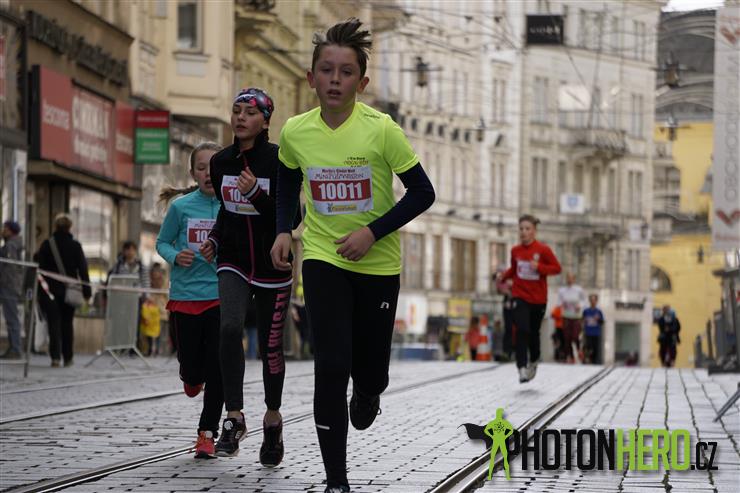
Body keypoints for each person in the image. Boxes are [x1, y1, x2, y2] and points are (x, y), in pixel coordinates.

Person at [270, 19, 435, 493]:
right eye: (327, 70)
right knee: (330, 365)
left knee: (370, 371)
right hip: (323, 258)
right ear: (311, 78)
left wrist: (372, 232)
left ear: (361, 83)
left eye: (346, 72)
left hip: (377, 265)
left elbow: (423, 192)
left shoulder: (381, 130)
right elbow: (287, 179)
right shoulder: (296, 131)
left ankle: (368, 392)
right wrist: (283, 230)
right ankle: (336, 481)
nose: (335, 80)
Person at [200, 87, 292, 465]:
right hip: (234, 260)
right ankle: (234, 418)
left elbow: (290, 218)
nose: (240, 117)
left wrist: (256, 194)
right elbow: (226, 210)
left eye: (250, 112)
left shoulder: (280, 160)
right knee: (228, 328)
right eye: (236, 110)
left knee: (270, 347)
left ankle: (272, 419)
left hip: (273, 266)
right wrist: (214, 237)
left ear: (266, 121)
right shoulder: (221, 161)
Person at [156, 141, 224, 459]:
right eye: (201, 168)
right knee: (193, 369)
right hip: (185, 297)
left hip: (220, 296)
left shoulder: (231, 207)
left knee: (217, 367)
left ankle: (207, 434)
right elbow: (162, 242)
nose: (208, 173)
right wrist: (175, 256)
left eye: (214, 167)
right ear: (193, 173)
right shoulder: (181, 207)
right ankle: (191, 378)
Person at [499, 215, 561, 383]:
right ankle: (521, 367)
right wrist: (503, 276)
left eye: (527, 229)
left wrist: (539, 267)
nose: (524, 232)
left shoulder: (543, 250)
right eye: (521, 229)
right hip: (520, 296)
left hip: (538, 299)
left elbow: (557, 268)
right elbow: (514, 269)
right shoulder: (515, 251)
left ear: (534, 231)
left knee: (533, 333)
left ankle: (534, 360)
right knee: (522, 330)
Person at [36, 213, 92, 367]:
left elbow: (40, 268)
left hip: (50, 291)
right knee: (67, 324)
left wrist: (40, 293)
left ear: (55, 226)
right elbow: (83, 269)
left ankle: (55, 358)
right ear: (70, 227)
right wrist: (87, 292)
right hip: (70, 291)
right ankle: (68, 357)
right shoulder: (75, 246)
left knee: (53, 323)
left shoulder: (47, 245)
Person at [0, 220, 24, 359]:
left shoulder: (10, 246)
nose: (3, 230)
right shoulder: (12, 244)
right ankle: (13, 347)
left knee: (11, 317)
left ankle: (15, 348)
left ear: (10, 231)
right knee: (11, 317)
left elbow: (10, 267)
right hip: (10, 285)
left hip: (8, 286)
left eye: (5, 228)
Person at [557, 273, 586, 363]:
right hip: (566, 315)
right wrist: (562, 304)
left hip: (576, 316)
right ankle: (571, 356)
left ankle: (579, 350)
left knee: (575, 335)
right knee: (567, 337)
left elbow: (584, 300)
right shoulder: (562, 290)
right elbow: (558, 302)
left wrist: (579, 306)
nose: (569, 280)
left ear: (574, 279)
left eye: (571, 278)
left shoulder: (578, 289)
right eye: (568, 278)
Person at [582, 294, 604, 364]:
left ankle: (595, 362)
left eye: (594, 300)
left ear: (596, 301)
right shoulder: (586, 311)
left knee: (595, 348)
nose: (593, 302)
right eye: (591, 300)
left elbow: (602, 322)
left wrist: (598, 319)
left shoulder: (599, 311)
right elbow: (582, 320)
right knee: (588, 348)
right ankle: (587, 360)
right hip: (588, 332)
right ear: (589, 301)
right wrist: (584, 321)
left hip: (596, 333)